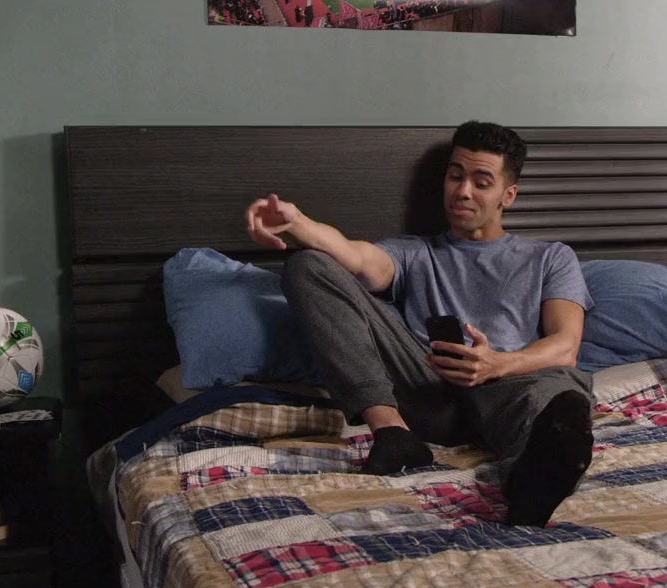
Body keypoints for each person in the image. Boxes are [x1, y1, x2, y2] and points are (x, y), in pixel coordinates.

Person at [244, 121, 594, 526]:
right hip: (427, 390)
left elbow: (566, 345)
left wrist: (495, 364)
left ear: (507, 195)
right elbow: (357, 258)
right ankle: (393, 434)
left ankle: (530, 483)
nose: (463, 191)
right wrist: (296, 222)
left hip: (510, 390)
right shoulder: (414, 252)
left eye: (481, 182)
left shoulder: (550, 257)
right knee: (309, 265)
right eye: (455, 176)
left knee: (557, 393)